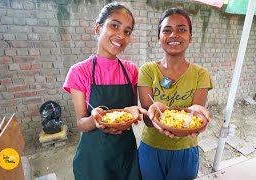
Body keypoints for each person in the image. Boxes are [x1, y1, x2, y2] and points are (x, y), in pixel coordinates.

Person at [63, 2, 146, 180]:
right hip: (94, 157)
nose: (121, 35)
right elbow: (80, 123)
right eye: (114, 25)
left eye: (127, 31)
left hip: (125, 153)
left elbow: (132, 111)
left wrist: (134, 113)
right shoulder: (79, 71)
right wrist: (94, 121)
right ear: (98, 28)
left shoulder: (131, 70)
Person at [137, 8, 213, 180]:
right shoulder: (147, 71)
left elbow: (196, 116)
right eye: (167, 30)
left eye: (181, 29)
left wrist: (199, 118)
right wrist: (155, 110)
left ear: (190, 37)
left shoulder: (201, 74)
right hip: (151, 148)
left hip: (185, 150)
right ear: (159, 38)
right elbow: (148, 121)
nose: (174, 35)